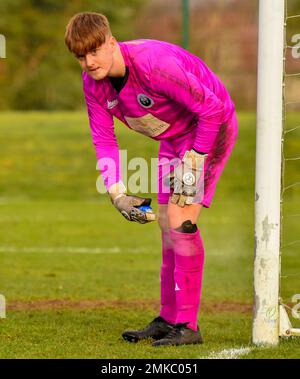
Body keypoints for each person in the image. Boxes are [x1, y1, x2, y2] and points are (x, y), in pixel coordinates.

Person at [65, 12, 238, 347]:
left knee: (179, 219)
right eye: (80, 56)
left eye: (94, 51)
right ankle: (169, 318)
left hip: (209, 130)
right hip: (174, 138)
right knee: (164, 224)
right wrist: (117, 193)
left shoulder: (154, 65)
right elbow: (104, 140)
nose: (88, 62)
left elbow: (212, 109)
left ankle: (188, 326)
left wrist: (197, 159)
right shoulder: (93, 85)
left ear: (111, 43)